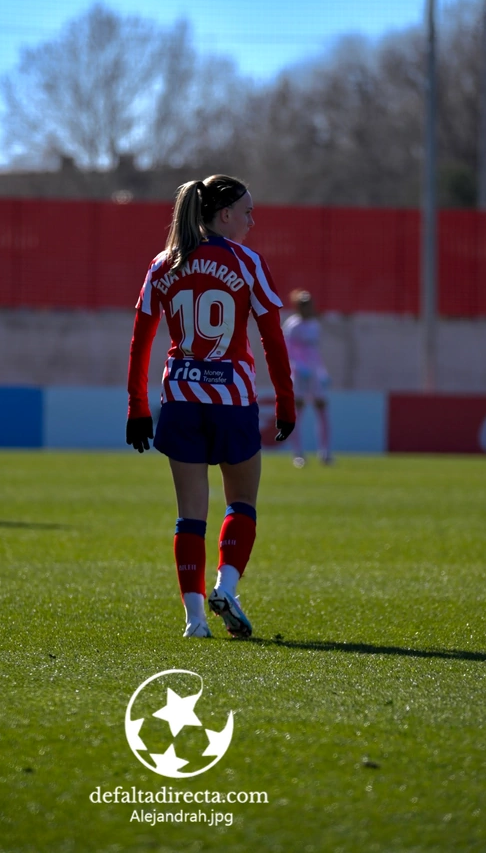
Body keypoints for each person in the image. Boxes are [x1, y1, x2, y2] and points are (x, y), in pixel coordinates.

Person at [126, 175, 296, 640]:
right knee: (241, 502)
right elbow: (272, 339)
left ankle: (195, 621)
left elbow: (141, 340)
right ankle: (227, 586)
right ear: (224, 216)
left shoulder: (163, 263)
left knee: (189, 515)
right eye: (246, 212)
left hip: (179, 398)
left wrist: (137, 405)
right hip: (232, 400)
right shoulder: (247, 262)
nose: (251, 220)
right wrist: (284, 399)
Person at [282, 289, 332, 467]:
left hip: (314, 372)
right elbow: (286, 350)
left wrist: (322, 370)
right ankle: (297, 453)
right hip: (300, 372)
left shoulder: (314, 325)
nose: (307, 308)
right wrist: (298, 367)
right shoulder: (292, 325)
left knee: (322, 409)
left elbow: (315, 351)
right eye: (303, 304)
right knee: (298, 412)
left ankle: (325, 452)